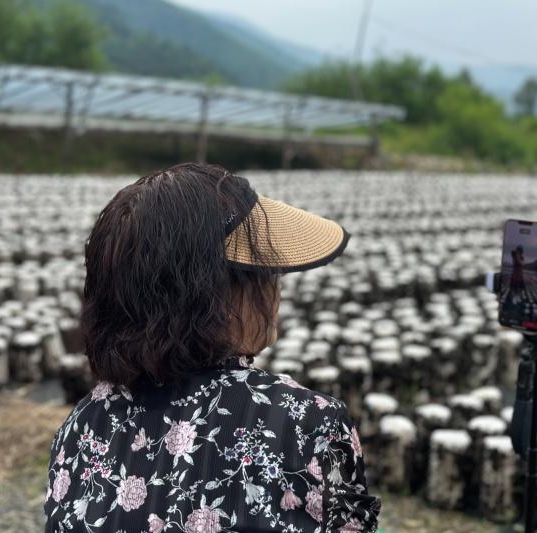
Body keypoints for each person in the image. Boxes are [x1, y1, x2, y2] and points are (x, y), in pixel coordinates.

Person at [43, 163, 380, 532]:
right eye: (265, 271)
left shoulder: (81, 426)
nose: (275, 288)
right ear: (216, 293)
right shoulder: (306, 422)